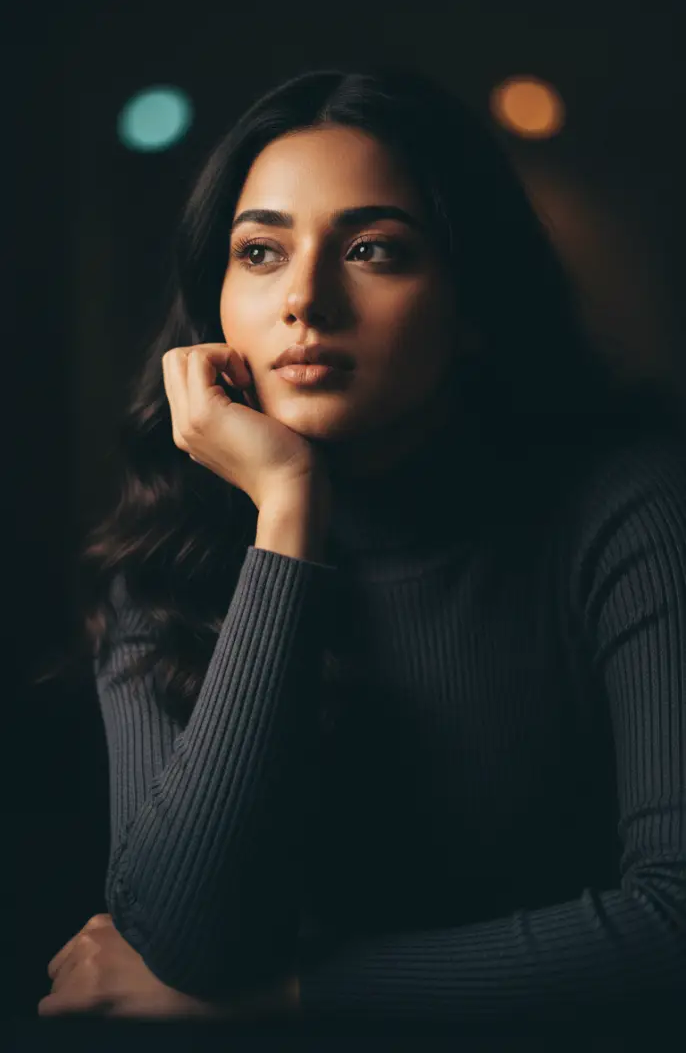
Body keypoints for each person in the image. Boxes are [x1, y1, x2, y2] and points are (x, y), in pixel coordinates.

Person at [33, 64, 686, 1026]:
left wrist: (287, 999)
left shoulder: (629, 504)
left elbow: (673, 925)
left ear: (472, 305)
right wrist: (288, 508)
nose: (304, 300)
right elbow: (181, 939)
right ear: (215, 300)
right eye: (261, 252)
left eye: (373, 249)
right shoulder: (174, 549)